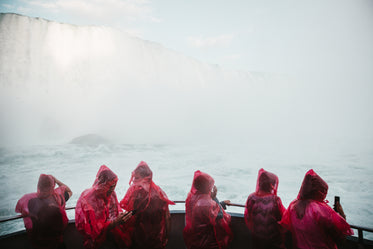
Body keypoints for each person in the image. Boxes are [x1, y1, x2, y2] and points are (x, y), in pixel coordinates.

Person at [280, 169, 353, 249]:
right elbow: (341, 237)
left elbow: (286, 229)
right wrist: (341, 214)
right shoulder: (322, 211)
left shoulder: (293, 207)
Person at [119, 161, 175, 249]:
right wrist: (167, 236)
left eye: (136, 178)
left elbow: (130, 217)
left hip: (139, 239)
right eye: (134, 177)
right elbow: (167, 217)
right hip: (156, 238)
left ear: (145, 178)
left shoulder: (134, 193)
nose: (133, 181)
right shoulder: (159, 192)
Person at [75, 165, 132, 249]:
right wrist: (114, 222)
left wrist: (122, 215)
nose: (112, 189)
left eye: (114, 186)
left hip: (112, 235)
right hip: (96, 241)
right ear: (101, 184)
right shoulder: (88, 198)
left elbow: (116, 209)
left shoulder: (112, 194)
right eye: (109, 186)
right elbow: (92, 230)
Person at [15, 174, 73, 249]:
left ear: (38, 186)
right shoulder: (58, 197)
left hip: (38, 244)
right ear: (52, 186)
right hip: (57, 243)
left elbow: (21, 209)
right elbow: (69, 191)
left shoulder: (27, 200)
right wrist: (56, 180)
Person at [183, 170, 233, 249]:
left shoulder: (191, 197)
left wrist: (221, 203)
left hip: (194, 238)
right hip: (206, 241)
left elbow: (207, 210)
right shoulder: (207, 202)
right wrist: (214, 198)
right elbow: (219, 215)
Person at [244, 168, 286, 249]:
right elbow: (282, 219)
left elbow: (248, 216)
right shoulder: (275, 200)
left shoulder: (251, 197)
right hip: (273, 241)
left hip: (257, 239)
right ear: (271, 185)